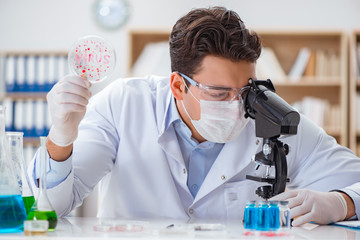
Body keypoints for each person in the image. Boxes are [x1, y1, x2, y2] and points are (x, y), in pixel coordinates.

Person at [28, 6, 360, 226]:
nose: (236, 105)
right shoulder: (124, 104)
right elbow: (52, 208)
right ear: (178, 86)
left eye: (245, 90)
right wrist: (60, 137)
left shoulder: (273, 117)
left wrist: (343, 202)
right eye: (218, 93)